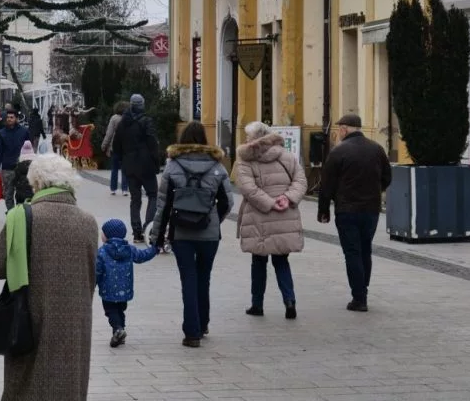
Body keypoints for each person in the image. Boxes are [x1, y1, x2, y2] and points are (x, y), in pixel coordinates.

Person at [0, 154, 98, 401]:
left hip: (31, 317)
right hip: (76, 320)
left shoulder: (22, 216)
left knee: (28, 384)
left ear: (36, 182)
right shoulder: (88, 222)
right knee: (69, 383)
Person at [150, 121, 233, 348]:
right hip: (209, 234)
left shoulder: (172, 166)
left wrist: (157, 236)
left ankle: (192, 333)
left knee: (188, 279)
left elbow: (163, 205)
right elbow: (227, 202)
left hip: (182, 233)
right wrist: (213, 220)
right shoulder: (217, 166)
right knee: (204, 278)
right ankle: (203, 323)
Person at [317, 114, 392, 312]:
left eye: (338, 129)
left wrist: (323, 210)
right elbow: (387, 177)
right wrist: (375, 191)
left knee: (352, 252)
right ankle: (362, 290)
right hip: (371, 210)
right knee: (365, 250)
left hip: (347, 210)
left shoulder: (338, 152)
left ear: (344, 129)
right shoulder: (377, 149)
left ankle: (359, 298)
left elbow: (327, 185)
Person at [234, 121, 307, 320]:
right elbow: (300, 181)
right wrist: (287, 198)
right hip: (284, 215)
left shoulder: (245, 160)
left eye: (248, 136)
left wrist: (270, 203)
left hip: (259, 216)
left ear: (255, 138)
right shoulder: (286, 155)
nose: (246, 140)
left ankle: (257, 304)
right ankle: (289, 301)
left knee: (258, 261)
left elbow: (248, 189)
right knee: (281, 260)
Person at [96, 218, 157, 348]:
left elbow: (97, 270)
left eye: (103, 232)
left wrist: (91, 284)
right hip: (124, 290)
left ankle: (118, 330)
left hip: (108, 290)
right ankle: (120, 332)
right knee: (120, 310)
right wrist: (154, 249)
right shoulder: (129, 249)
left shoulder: (102, 252)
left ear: (108, 235)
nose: (101, 235)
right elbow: (142, 256)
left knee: (111, 311)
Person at [113, 94, 160, 243]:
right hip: (146, 165)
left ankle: (137, 233)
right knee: (153, 195)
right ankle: (148, 228)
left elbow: (116, 146)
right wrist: (157, 162)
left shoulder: (122, 124)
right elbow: (153, 144)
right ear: (142, 105)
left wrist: (123, 160)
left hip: (130, 166)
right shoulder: (146, 121)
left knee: (135, 199)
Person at [0, 109, 32, 213]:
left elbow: (29, 148)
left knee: (22, 193)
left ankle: (20, 213)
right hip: (7, 168)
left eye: (11, 117)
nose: (9, 119)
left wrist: (30, 163)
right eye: (8, 117)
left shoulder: (24, 131)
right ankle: (11, 214)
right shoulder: (2, 133)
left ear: (16, 118)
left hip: (21, 168)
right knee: (8, 194)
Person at [102, 101, 130, 196]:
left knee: (114, 168)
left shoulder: (114, 118)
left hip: (115, 147)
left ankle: (113, 189)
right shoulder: (130, 118)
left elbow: (109, 134)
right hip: (126, 147)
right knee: (125, 169)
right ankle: (125, 189)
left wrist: (104, 145)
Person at [7, 141, 36, 210]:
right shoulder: (37, 169)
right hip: (34, 199)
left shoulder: (16, 169)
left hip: (20, 201)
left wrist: (11, 210)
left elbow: (9, 193)